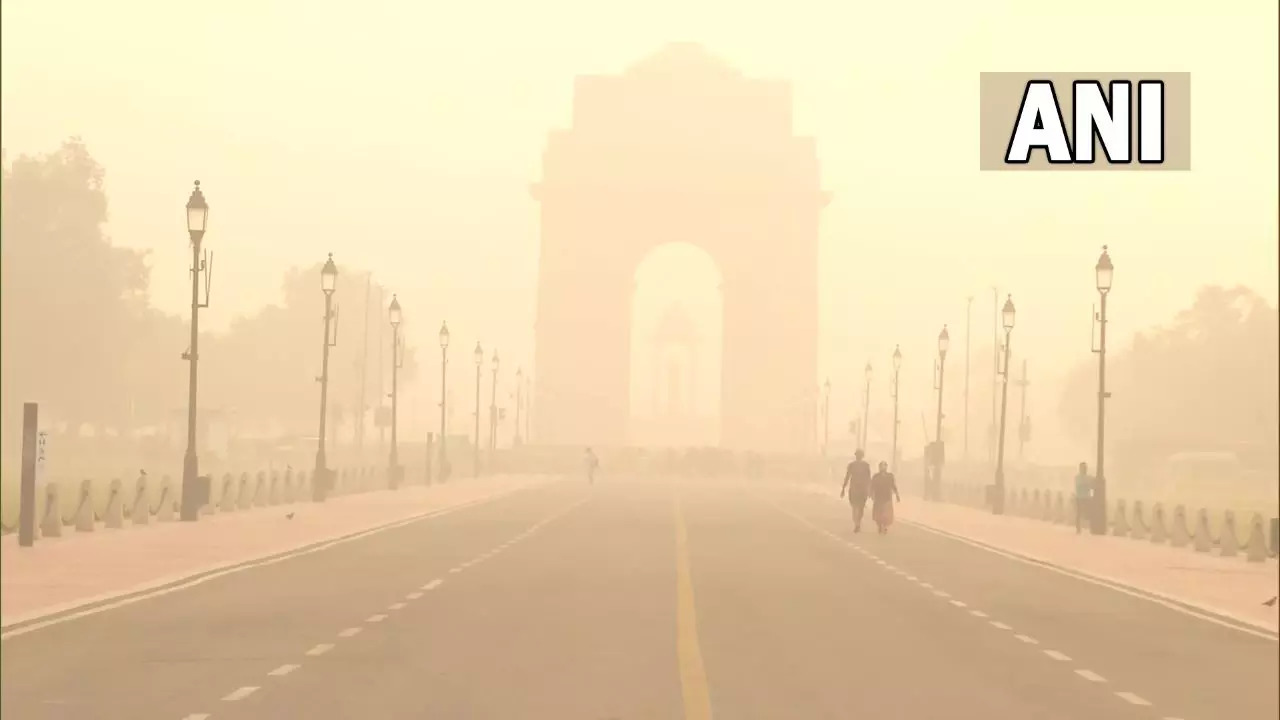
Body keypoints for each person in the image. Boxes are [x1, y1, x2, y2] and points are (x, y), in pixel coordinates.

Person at [840, 449, 873, 532]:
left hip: (859, 489)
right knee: (857, 507)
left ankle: (857, 523)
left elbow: (868, 478)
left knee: (858, 507)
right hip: (857, 488)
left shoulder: (864, 465)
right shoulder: (853, 465)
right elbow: (848, 476)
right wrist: (843, 488)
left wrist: (870, 489)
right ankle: (857, 523)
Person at [870, 461, 900, 535]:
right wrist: (871, 494)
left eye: (884, 466)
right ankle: (879, 525)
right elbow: (872, 486)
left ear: (886, 467)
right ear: (879, 467)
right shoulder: (876, 476)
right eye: (881, 466)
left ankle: (885, 526)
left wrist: (897, 495)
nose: (883, 468)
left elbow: (893, 486)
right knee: (878, 513)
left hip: (887, 497)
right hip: (878, 497)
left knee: (887, 514)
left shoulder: (890, 476)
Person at [1074, 461, 1093, 534]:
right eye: (1083, 468)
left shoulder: (1088, 477)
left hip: (1087, 497)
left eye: (1085, 468)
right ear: (1080, 468)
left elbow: (1091, 486)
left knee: (1088, 513)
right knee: (1079, 513)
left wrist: (1091, 495)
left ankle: (1088, 527)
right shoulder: (1078, 477)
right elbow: (1080, 485)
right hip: (1080, 497)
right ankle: (1078, 528)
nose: (1085, 469)